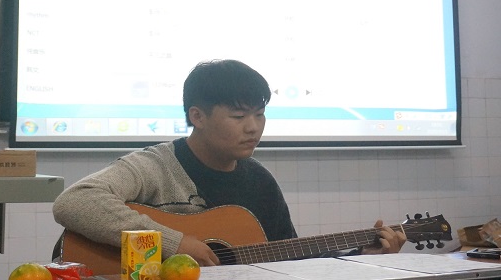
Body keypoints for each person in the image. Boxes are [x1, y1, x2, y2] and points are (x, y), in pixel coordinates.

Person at [53, 59, 406, 266]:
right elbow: (76, 201)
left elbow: (291, 259)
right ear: (198, 116)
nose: (253, 127)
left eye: (259, 114)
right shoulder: (155, 166)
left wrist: (362, 255)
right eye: (238, 116)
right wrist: (173, 243)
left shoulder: (259, 181)